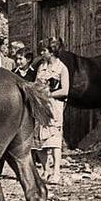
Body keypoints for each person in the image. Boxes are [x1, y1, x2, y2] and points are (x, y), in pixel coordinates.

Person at [33, 41, 69, 184]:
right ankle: (46, 169)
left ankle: (56, 173)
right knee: (39, 139)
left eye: (44, 51)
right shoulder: (41, 67)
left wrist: (49, 94)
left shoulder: (62, 68)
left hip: (54, 105)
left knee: (54, 139)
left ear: (52, 52)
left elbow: (65, 90)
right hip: (40, 105)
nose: (42, 54)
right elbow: (36, 83)